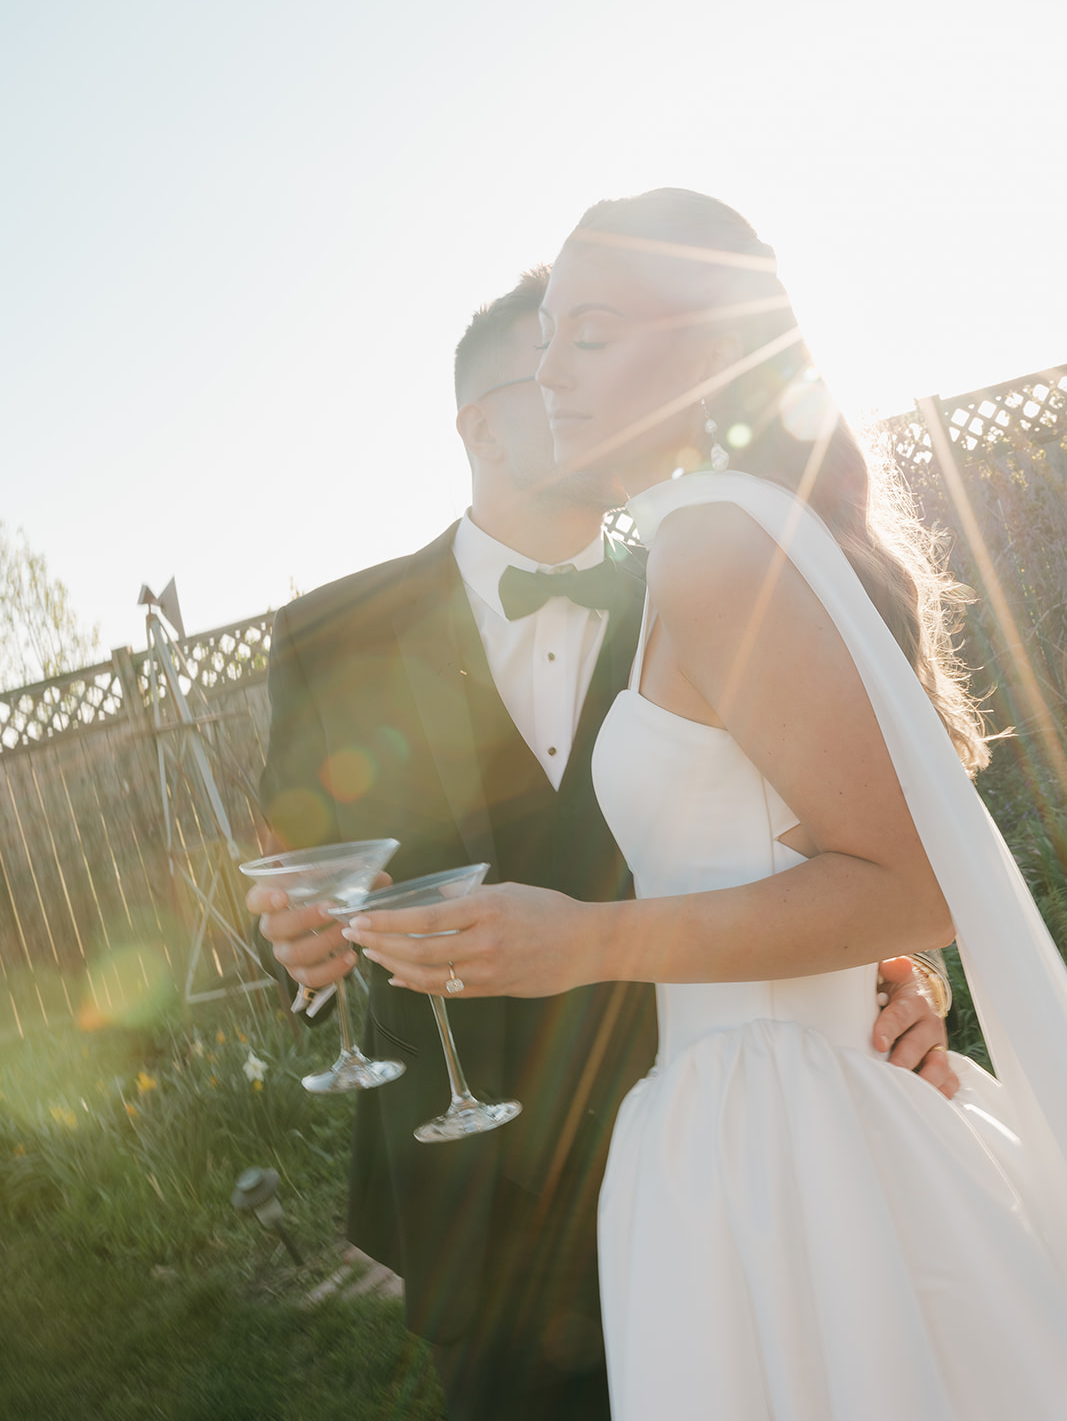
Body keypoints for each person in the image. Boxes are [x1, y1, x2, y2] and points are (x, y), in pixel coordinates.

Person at [348, 191, 1067, 1419]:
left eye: (591, 332)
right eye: (547, 338)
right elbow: (793, 836)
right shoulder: (697, 536)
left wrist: (581, 942)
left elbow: (906, 877)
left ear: (714, 350)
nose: (550, 371)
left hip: (789, 1142)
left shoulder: (714, 550)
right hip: (731, 1112)